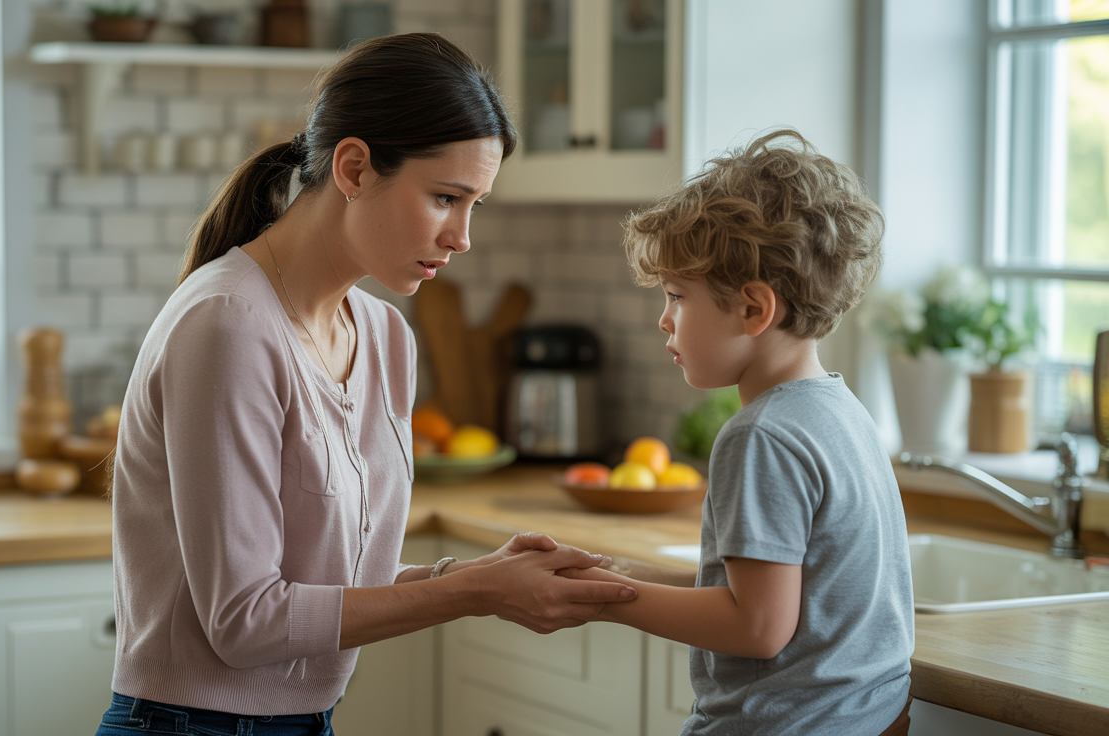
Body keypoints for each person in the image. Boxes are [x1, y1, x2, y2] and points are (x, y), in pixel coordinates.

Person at [95, 33, 637, 736]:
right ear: (354, 167)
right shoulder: (228, 323)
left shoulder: (384, 337)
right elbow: (243, 623)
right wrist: (472, 592)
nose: (463, 236)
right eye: (447, 197)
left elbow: (338, 586)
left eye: (476, 204)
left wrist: (469, 578)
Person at [563, 129, 914, 735]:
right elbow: (776, 599)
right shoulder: (840, 410)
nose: (664, 318)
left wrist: (607, 603)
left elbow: (756, 627)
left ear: (754, 309)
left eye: (677, 296)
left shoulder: (761, 436)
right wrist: (625, 575)